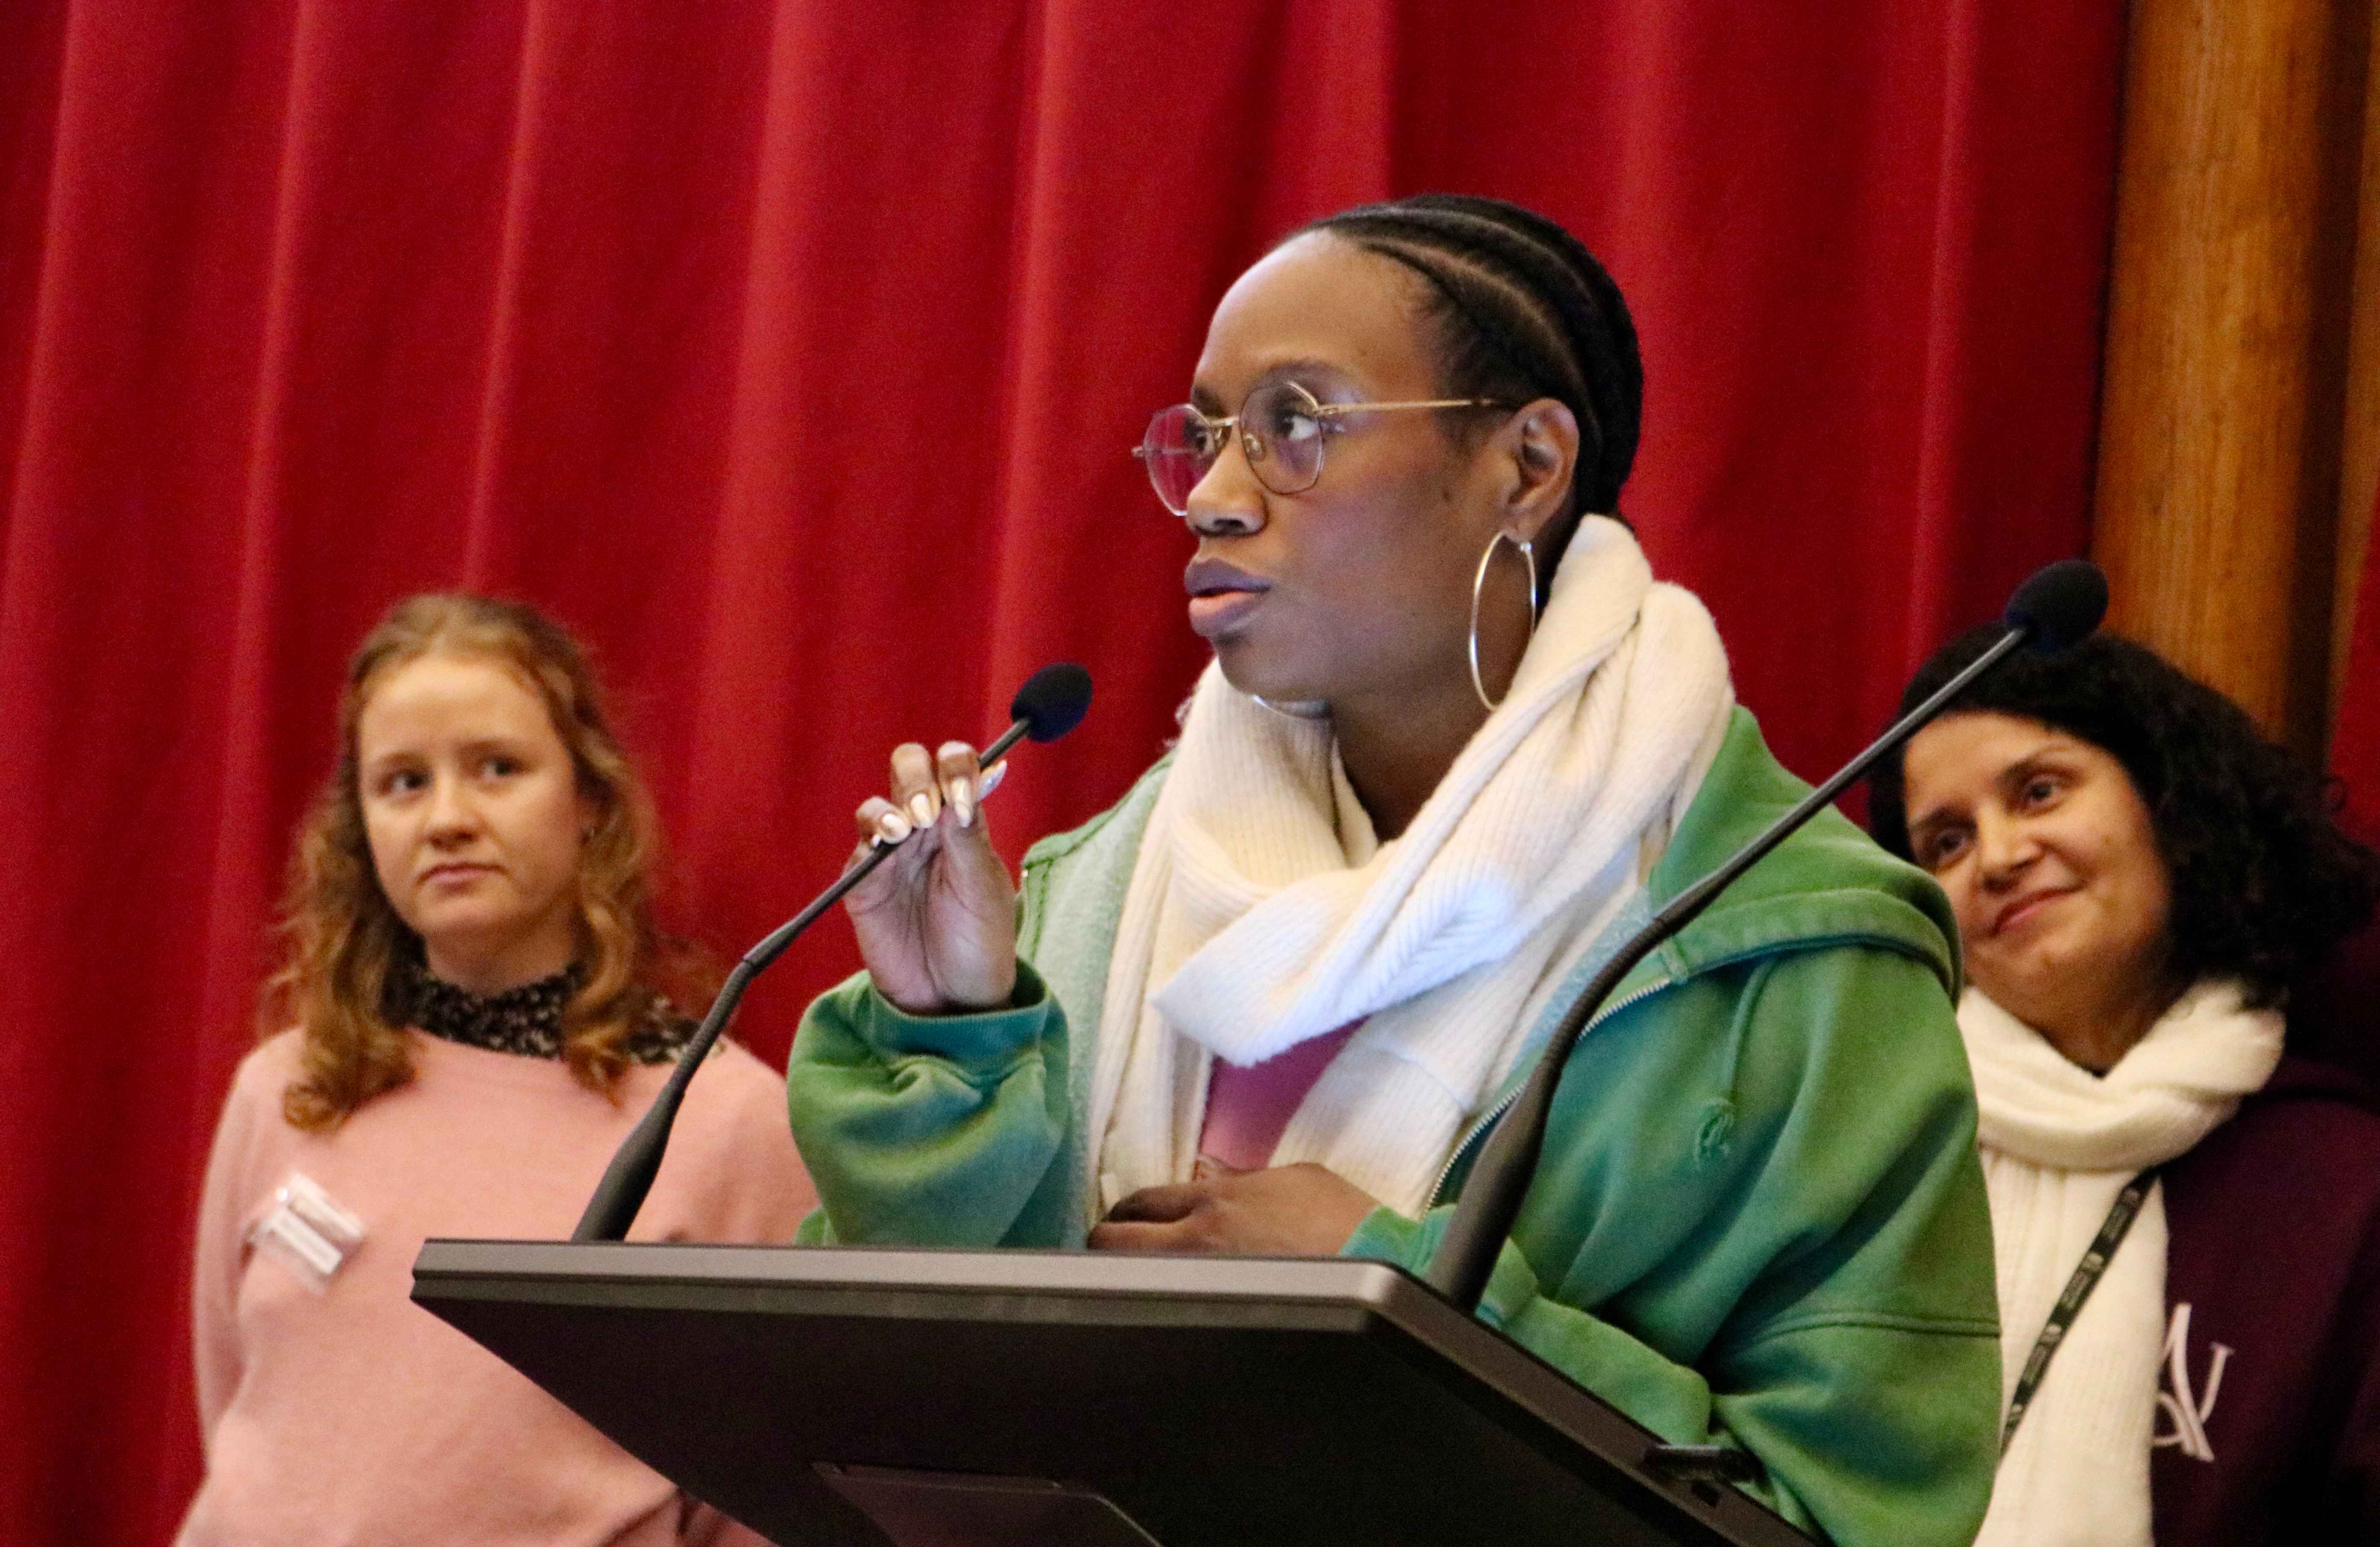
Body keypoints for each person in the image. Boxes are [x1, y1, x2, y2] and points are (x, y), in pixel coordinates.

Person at [787, 194, 2001, 1546]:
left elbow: (1843, 1518)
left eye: (1297, 423)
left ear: (1529, 466)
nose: (1215, 497)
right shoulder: (1088, 899)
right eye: (1206, 436)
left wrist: (1398, 1298)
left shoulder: (1796, 959)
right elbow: (893, 1437)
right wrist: (956, 1041)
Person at [179, 594, 811, 1547]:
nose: (447, 819)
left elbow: (763, 1497)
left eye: (497, 768)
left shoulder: (725, 1122)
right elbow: (235, 1407)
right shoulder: (285, 1088)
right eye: (403, 782)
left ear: (588, 799)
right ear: (360, 826)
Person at [1870, 629, 2380, 1546]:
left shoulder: (2346, 1193)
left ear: (2167, 800)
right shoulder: (1888, 1158)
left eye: (2039, 791)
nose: (1997, 856)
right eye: (1946, 840)